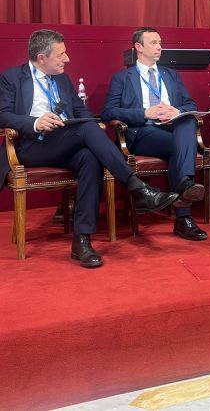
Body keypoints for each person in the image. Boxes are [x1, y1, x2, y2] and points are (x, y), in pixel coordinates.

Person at [0, 29, 179, 268]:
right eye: (61, 55)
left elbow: (81, 110)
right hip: (31, 146)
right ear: (42, 57)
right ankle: (137, 188)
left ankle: (81, 241)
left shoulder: (62, 79)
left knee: (90, 157)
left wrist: (88, 125)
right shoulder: (11, 78)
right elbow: (3, 115)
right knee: (87, 129)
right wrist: (35, 122)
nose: (67, 59)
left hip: (64, 142)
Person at [101, 27, 207, 241]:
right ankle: (184, 212)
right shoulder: (122, 78)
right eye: (153, 43)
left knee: (186, 122)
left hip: (171, 130)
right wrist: (144, 113)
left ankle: (184, 187)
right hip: (143, 132)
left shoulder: (170, 75)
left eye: (160, 42)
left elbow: (190, 104)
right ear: (138, 47)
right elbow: (108, 112)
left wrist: (176, 111)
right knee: (181, 146)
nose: (159, 47)